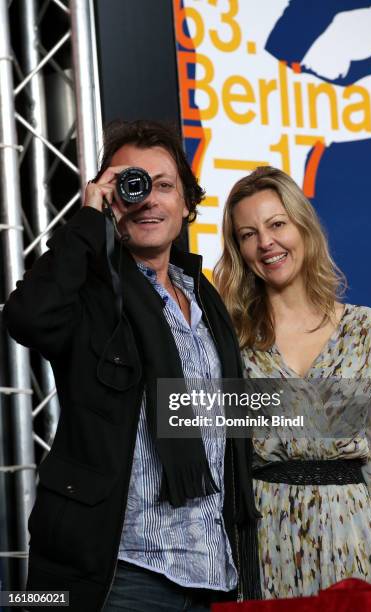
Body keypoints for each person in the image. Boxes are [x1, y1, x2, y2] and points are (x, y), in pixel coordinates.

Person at [3, 120, 260, 612]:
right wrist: (90, 217)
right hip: (120, 573)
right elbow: (27, 316)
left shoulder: (206, 299)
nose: (148, 200)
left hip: (212, 573)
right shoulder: (90, 295)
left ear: (187, 204)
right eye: (131, 184)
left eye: (164, 186)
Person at [214, 165, 371, 599]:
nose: (266, 243)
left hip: (355, 538)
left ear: (302, 226)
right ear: (239, 249)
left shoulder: (369, 332)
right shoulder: (230, 340)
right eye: (248, 234)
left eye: (277, 224)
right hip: (264, 536)